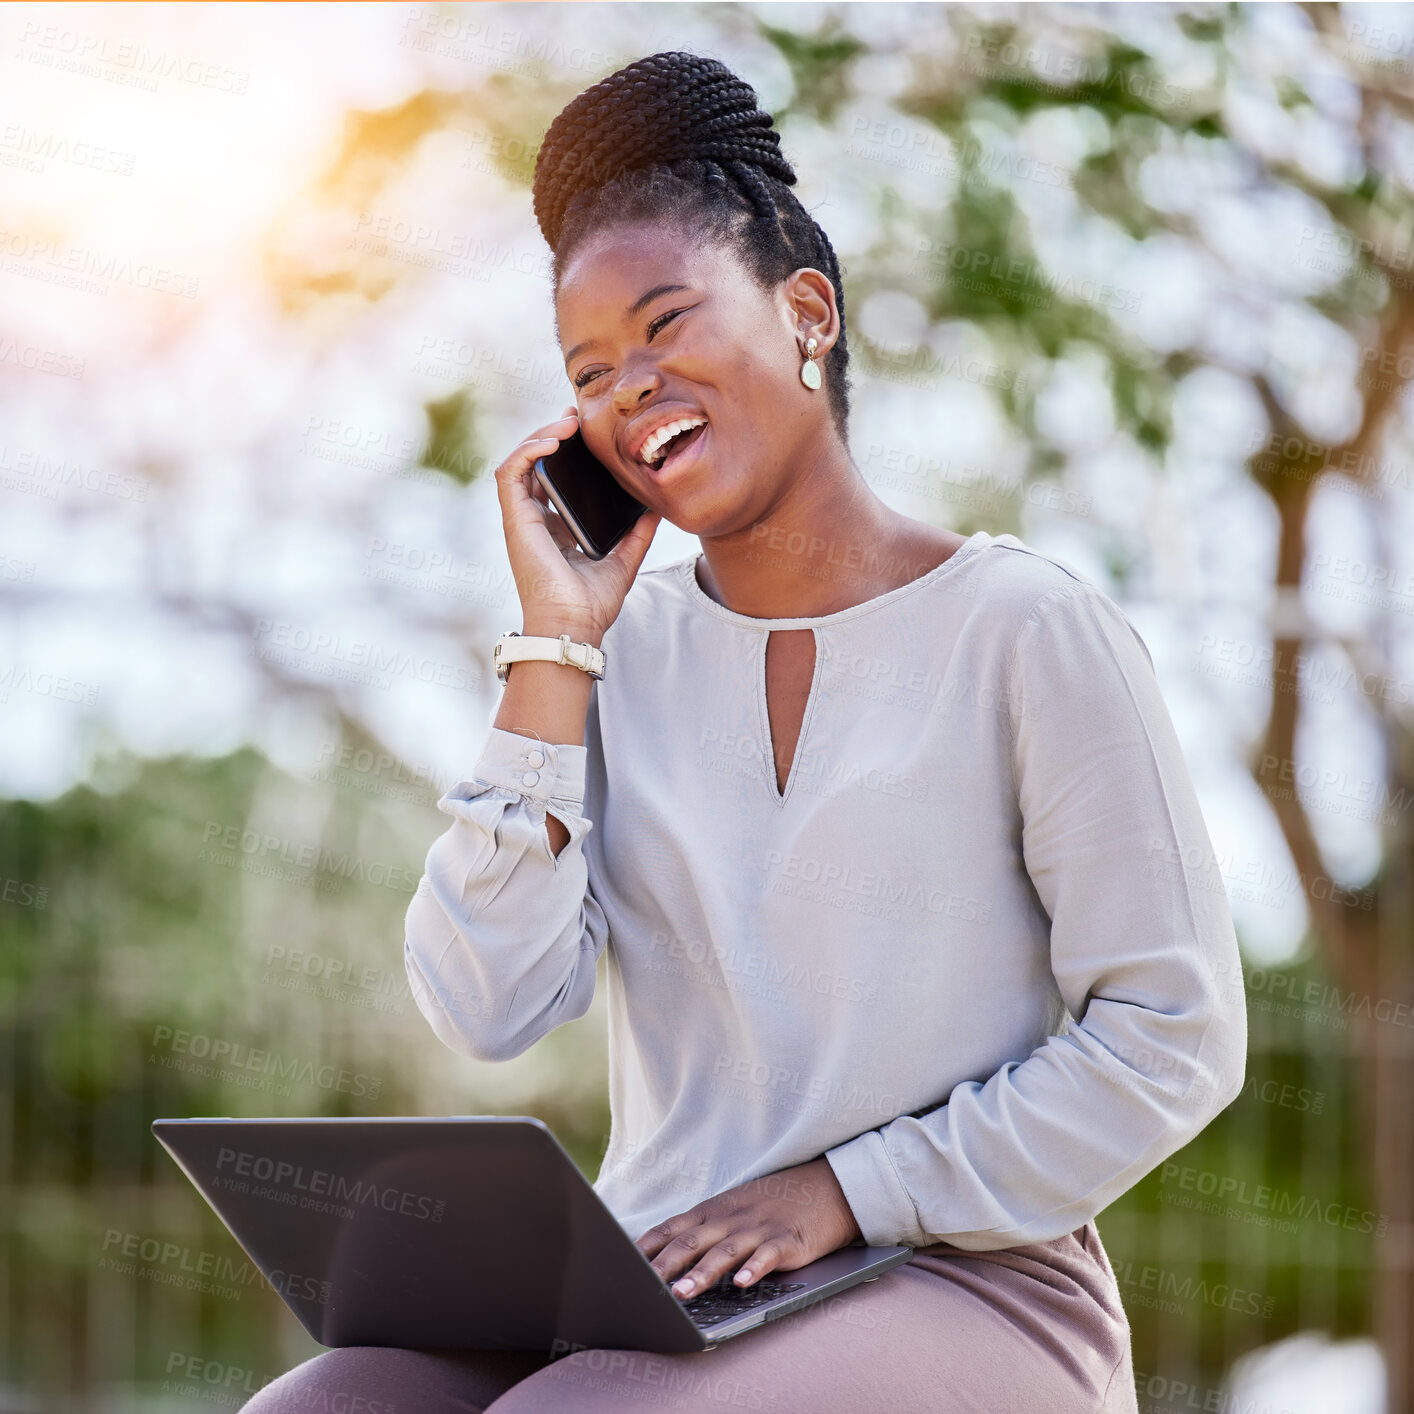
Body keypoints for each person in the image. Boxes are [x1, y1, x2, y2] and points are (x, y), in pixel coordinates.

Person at [243, 50, 1246, 1413]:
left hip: (963, 1280)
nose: (631, 387)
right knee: (314, 1409)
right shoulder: (615, 662)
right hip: (664, 1278)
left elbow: (1170, 1033)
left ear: (804, 314)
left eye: (667, 324)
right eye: (590, 369)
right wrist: (556, 643)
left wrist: (848, 1186)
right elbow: (485, 1005)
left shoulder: (1023, 630)